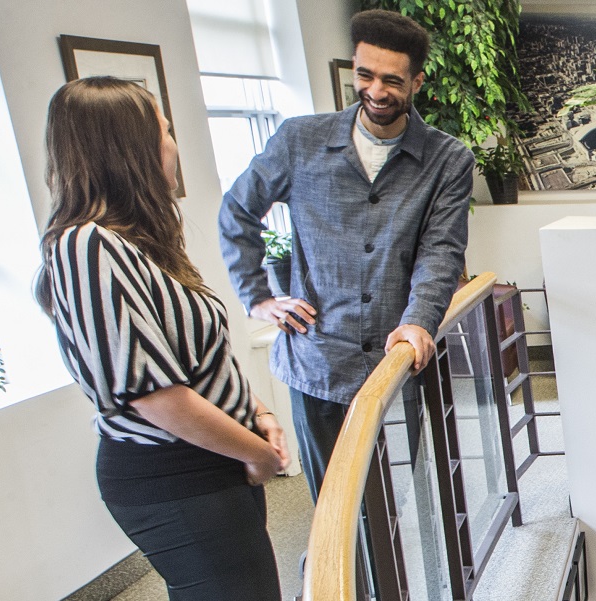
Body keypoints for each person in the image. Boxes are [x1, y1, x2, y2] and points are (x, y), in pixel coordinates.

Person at [35, 76, 289, 601]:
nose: (174, 144)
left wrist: (257, 411)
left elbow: (198, 359)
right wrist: (260, 454)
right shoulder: (87, 246)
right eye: (165, 131)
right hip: (175, 473)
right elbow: (153, 396)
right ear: (128, 149)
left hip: (216, 460)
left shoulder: (138, 241)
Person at [218, 9, 474, 503]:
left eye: (392, 80)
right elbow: (237, 211)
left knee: (398, 500)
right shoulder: (299, 140)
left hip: (396, 362)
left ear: (417, 81)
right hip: (318, 360)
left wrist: (419, 320)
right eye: (365, 75)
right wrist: (258, 297)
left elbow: (441, 250)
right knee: (333, 503)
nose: (376, 91)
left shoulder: (448, 160)